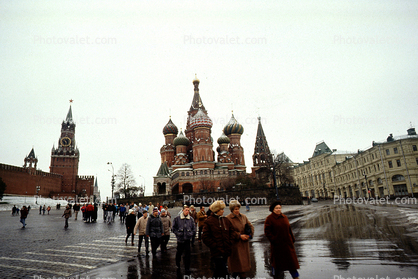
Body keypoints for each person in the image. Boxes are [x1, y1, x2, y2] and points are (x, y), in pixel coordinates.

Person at [264, 201, 300, 279]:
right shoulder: (269, 219)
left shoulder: (284, 217)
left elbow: (289, 229)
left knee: (292, 265)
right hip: (278, 246)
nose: (278, 209)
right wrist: (274, 240)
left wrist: (292, 239)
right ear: (273, 209)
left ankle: (296, 278)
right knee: (277, 266)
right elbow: (267, 232)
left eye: (280, 208)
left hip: (288, 245)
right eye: (276, 208)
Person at [202, 200, 233, 278]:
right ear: (217, 210)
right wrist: (215, 245)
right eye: (221, 209)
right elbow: (205, 237)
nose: (223, 211)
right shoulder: (209, 221)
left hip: (226, 250)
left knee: (218, 272)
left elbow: (232, 232)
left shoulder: (225, 220)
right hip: (216, 252)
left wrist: (230, 242)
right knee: (224, 272)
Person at [226, 200, 254, 279]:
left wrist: (249, 235)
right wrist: (239, 236)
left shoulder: (243, 216)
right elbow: (229, 231)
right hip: (235, 245)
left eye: (238, 209)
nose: (237, 211)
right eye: (235, 209)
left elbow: (250, 225)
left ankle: (235, 274)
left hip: (244, 244)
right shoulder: (228, 218)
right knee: (239, 266)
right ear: (232, 209)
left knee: (242, 265)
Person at [172, 205, 195, 274]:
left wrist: (191, 234)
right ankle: (178, 263)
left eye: (188, 210)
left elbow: (194, 228)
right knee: (179, 252)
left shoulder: (191, 219)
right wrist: (177, 234)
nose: (187, 212)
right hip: (180, 239)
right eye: (186, 210)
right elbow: (173, 228)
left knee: (188, 254)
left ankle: (187, 267)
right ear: (183, 210)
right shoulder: (177, 219)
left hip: (187, 239)